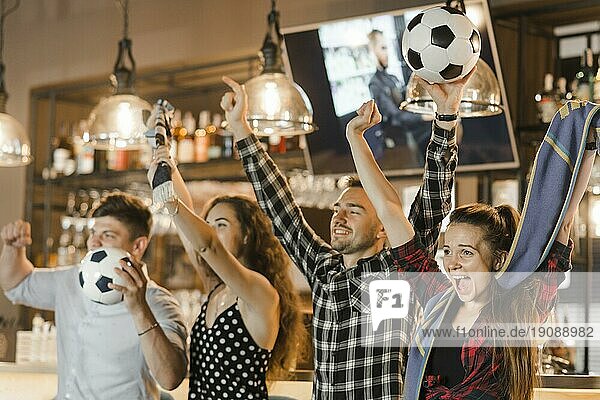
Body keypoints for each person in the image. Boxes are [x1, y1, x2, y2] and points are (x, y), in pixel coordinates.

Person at [218, 70, 472, 399]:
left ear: (383, 226)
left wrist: (447, 117)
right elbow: (280, 206)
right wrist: (240, 128)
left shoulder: (399, 268)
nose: (339, 216)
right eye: (338, 208)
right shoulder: (324, 269)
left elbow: (434, 198)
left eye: (354, 210)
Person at [345, 87, 598, 399]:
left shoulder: (520, 306)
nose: (451, 263)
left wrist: (587, 143)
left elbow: (564, 219)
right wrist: (355, 138)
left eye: (466, 253)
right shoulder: (439, 296)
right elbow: (388, 209)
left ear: (497, 259)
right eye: (447, 250)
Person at [147, 146, 305, 400]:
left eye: (221, 225)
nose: (211, 231)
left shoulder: (260, 291)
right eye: (208, 224)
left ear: (246, 235)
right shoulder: (217, 286)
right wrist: (166, 162)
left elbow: (207, 244)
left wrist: (167, 197)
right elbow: (194, 232)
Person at [0, 193, 188, 400]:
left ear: (138, 246)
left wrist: (139, 309)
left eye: (107, 235)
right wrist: (13, 248)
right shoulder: (71, 279)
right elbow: (17, 284)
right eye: (93, 233)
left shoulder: (159, 302)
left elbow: (170, 378)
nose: (93, 243)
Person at [367, 29, 429, 163]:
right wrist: (425, 116)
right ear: (372, 51)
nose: (387, 53)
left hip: (412, 135)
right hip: (401, 145)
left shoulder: (392, 78)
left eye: (387, 47)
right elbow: (395, 117)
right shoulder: (375, 84)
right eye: (383, 48)